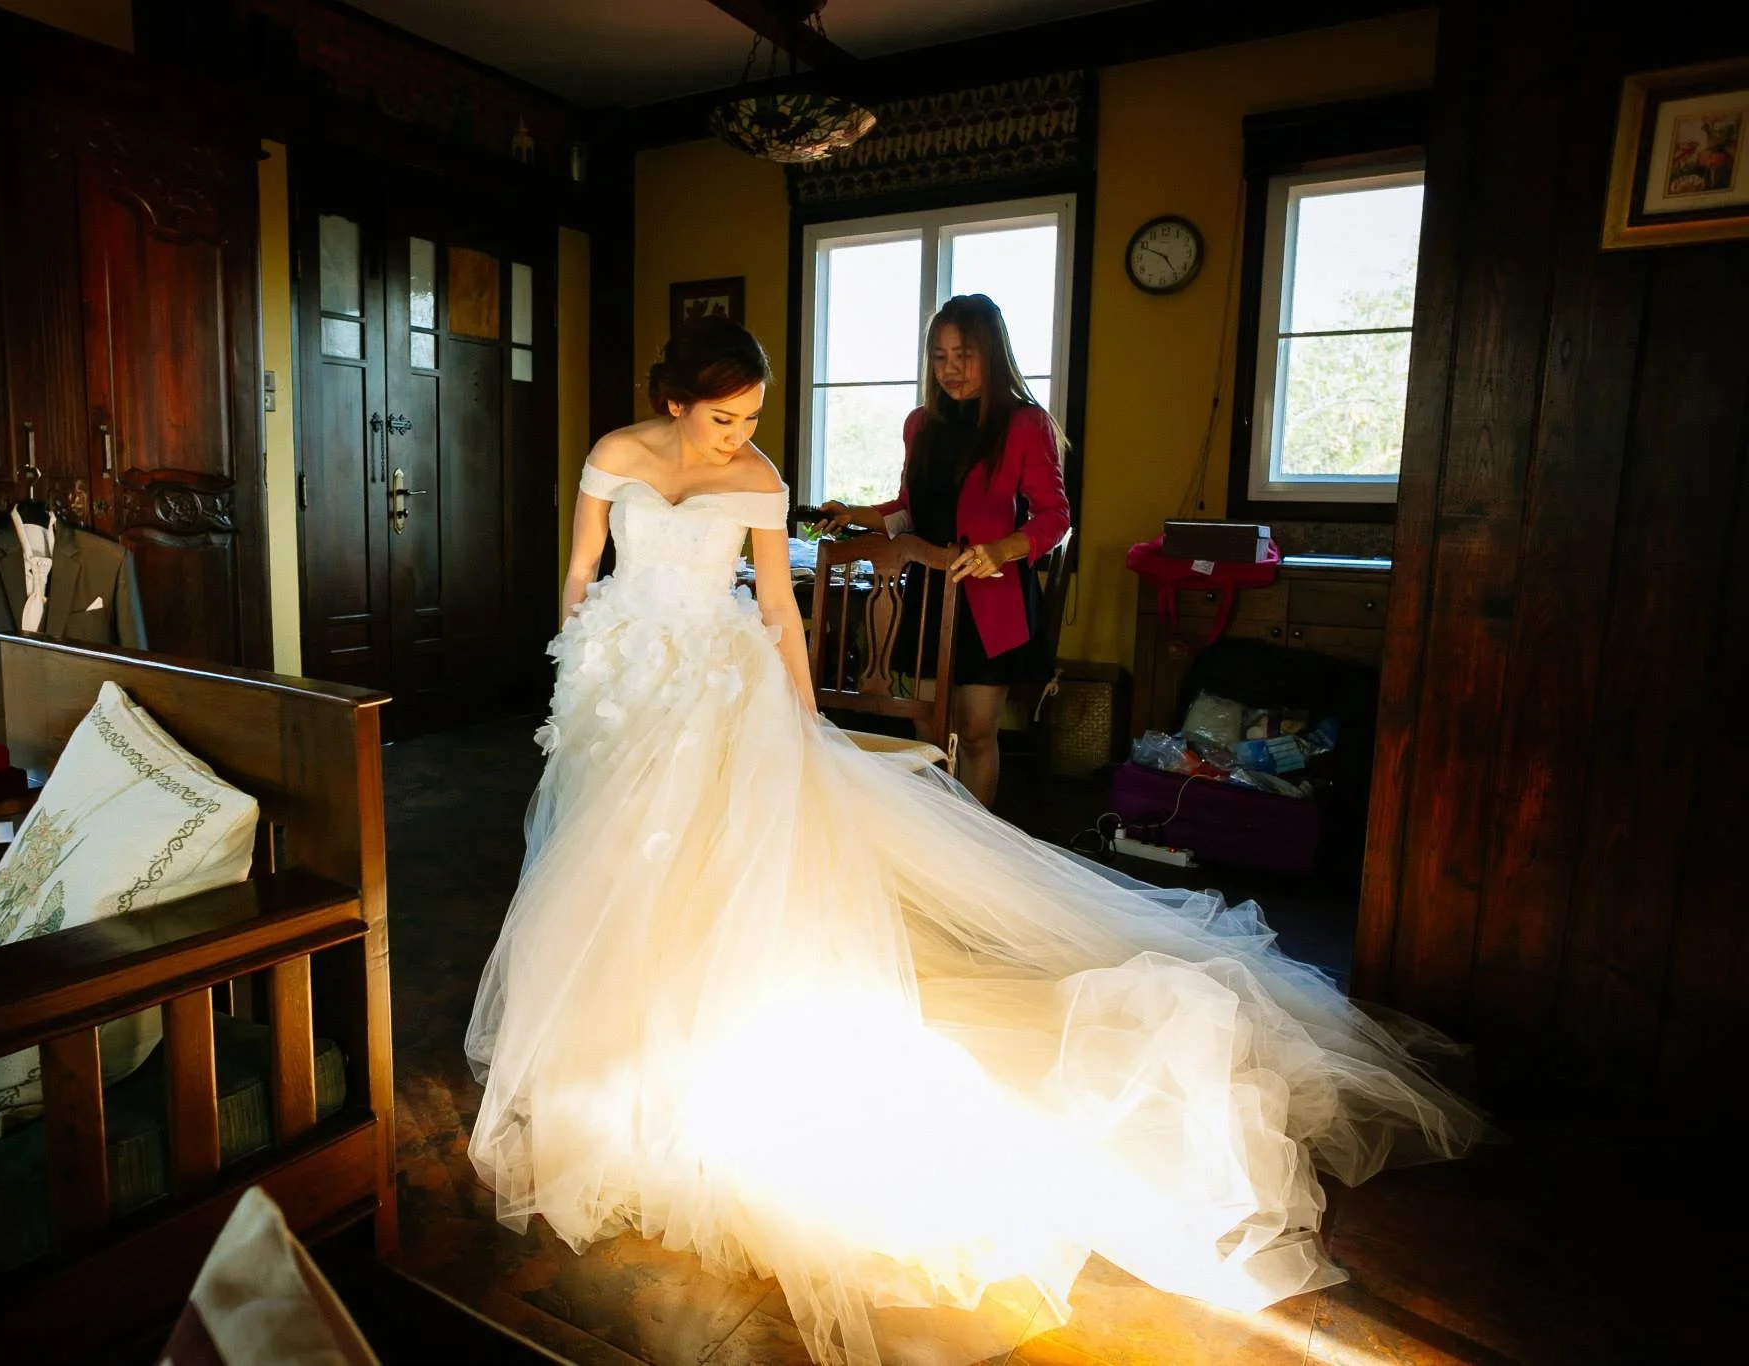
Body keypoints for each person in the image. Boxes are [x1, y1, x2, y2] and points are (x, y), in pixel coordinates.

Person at [465, 314, 1486, 1366]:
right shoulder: (614, 454)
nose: (742, 435)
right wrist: (583, 663)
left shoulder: (760, 478)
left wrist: (801, 717)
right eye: (724, 418)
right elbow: (580, 573)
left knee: (713, 861)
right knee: (613, 858)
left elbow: (776, 604)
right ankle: (620, 1040)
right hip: (625, 682)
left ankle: (700, 1035)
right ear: (674, 401)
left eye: (754, 417)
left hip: (721, 683)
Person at [818, 294, 1068, 808]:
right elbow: (909, 510)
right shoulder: (919, 424)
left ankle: (974, 840)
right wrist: (854, 513)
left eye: (964, 355)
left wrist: (1004, 548)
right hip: (928, 595)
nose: (950, 369)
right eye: (939, 357)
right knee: (927, 732)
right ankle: (935, 834)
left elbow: (1055, 515)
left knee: (975, 733)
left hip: (991, 601)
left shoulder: (1025, 424)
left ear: (991, 354)